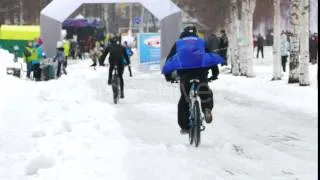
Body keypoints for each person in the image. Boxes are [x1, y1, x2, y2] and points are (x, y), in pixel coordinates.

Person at [162, 25, 223, 134]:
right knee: (205, 92)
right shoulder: (201, 42)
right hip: (201, 73)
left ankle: (185, 127)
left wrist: (168, 76)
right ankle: (206, 109)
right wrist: (215, 73)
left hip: (185, 75)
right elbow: (210, 58)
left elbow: (170, 59)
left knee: (184, 100)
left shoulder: (178, 43)